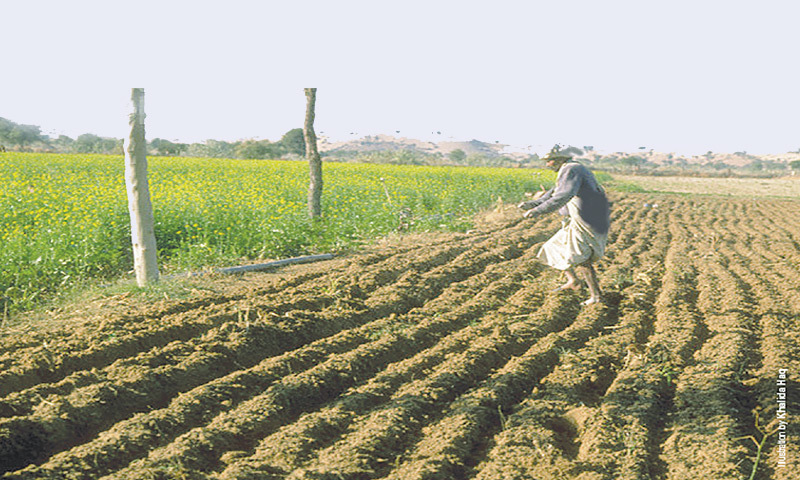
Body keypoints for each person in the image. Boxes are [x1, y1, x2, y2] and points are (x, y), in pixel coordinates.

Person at [518, 146, 610, 305]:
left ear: (560, 158)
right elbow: (553, 193)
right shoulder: (569, 169)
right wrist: (532, 204)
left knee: (581, 256)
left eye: (549, 160)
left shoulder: (572, 169)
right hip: (578, 218)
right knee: (554, 247)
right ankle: (573, 281)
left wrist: (538, 211)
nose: (547, 164)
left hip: (587, 218)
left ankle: (596, 296)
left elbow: (563, 195)